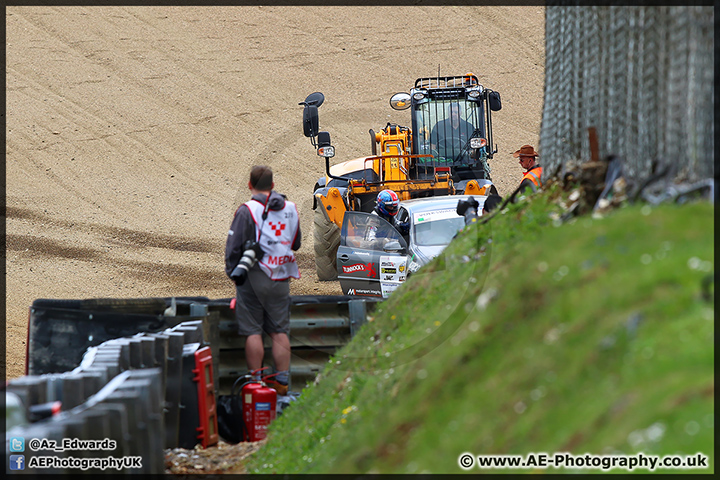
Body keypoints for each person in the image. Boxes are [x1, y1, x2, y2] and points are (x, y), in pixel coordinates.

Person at [225, 165, 301, 396]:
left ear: (250, 185)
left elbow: (233, 248)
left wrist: (234, 274)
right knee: (280, 331)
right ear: (273, 185)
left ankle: (255, 382)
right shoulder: (291, 208)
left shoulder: (247, 211)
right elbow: (296, 243)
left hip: (255, 275)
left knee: (253, 331)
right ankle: (282, 382)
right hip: (281, 276)